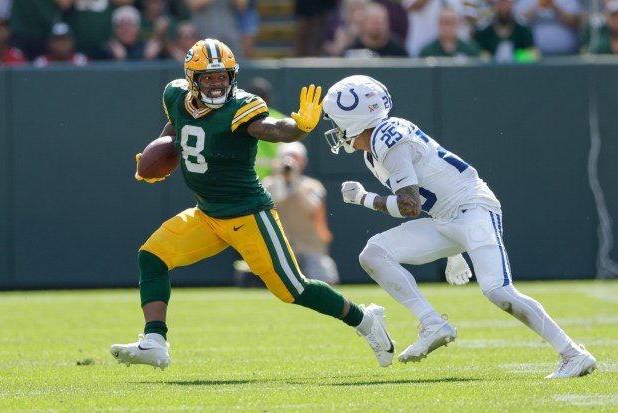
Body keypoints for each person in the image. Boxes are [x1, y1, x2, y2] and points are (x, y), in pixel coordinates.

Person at [109, 39, 395, 371]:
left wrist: (298, 128)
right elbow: (174, 128)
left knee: (293, 289)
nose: (217, 83)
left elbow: (271, 129)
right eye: (209, 78)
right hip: (207, 212)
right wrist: (158, 158)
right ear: (191, 79)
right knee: (153, 256)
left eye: (223, 77)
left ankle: (365, 319)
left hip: (249, 214)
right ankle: (154, 341)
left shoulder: (242, 107)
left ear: (233, 76)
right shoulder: (175, 96)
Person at [320, 74, 598, 379]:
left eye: (336, 121)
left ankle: (574, 354)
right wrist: (454, 252)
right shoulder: (375, 148)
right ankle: (432, 323)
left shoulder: (388, 140)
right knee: (373, 254)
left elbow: (409, 206)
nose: (335, 129)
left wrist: (363, 199)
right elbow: (431, 194)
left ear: (354, 120)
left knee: (498, 291)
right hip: (445, 217)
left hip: (473, 209)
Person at [263, 142, 341, 285]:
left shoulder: (313, 186)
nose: (290, 162)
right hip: (282, 249)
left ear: (303, 161)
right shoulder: (268, 184)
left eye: (295, 158)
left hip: (311, 247)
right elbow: (273, 203)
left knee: (325, 282)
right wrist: (279, 178)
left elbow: (313, 207)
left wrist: (295, 181)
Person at [473, 0, 538, 62]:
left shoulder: (523, 29)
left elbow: (533, 53)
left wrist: (517, 56)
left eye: (507, 3)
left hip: (518, 71)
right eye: (500, 3)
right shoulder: (483, 31)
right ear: (494, 5)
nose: (503, 7)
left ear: (512, 4)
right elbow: (476, 53)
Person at [514, 0, 582, 56]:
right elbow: (519, 20)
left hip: (567, 54)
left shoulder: (568, 1)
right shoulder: (525, 1)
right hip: (533, 56)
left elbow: (575, 21)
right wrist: (537, 6)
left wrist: (554, 6)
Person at [344, 2, 409, 57]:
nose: (377, 26)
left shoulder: (397, 48)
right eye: (373, 22)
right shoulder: (354, 49)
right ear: (363, 23)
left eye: (380, 22)